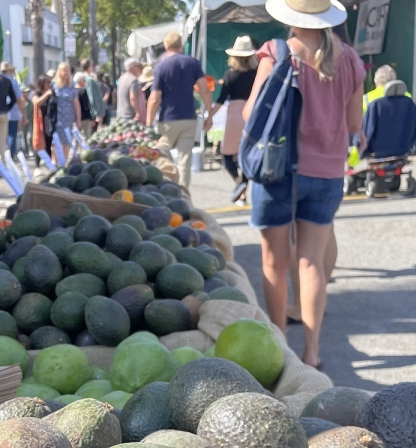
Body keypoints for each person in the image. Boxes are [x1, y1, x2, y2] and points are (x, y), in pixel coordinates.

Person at [243, 0, 364, 368]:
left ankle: (280, 350)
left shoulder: (276, 54)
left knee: (274, 263)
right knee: (312, 264)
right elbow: (355, 123)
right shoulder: (351, 61)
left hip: (278, 171)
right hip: (327, 174)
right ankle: (312, 353)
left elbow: (251, 113)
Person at [147, 32, 213, 187]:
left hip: (168, 119)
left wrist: (149, 122)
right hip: (189, 117)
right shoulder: (193, 63)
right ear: (180, 45)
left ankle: (168, 188)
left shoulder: (161, 67)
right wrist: (209, 113)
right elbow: (204, 89)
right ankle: (183, 195)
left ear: (165, 46)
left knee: (163, 155)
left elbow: (155, 98)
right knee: (185, 160)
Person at [208, 35, 257, 198]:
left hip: (235, 114)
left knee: (227, 154)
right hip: (252, 113)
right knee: (247, 153)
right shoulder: (256, 74)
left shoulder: (230, 75)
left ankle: (238, 182)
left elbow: (221, 99)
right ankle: (244, 183)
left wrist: (210, 116)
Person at [52, 63, 82, 160]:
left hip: (68, 117)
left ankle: (64, 163)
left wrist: (78, 119)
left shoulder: (72, 85)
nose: (66, 72)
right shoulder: (54, 85)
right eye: (64, 70)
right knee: (55, 141)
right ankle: (54, 163)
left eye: (68, 70)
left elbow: (76, 104)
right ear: (59, 72)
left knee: (66, 141)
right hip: (56, 117)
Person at [32, 74, 56, 162]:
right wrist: (46, 94)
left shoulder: (53, 92)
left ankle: (49, 162)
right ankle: (37, 164)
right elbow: (36, 102)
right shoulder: (37, 93)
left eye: (50, 82)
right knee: (39, 142)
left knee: (49, 142)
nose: (49, 84)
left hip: (50, 121)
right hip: (40, 121)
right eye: (47, 82)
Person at [2, 62, 25, 154]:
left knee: (2, 138)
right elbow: (19, 98)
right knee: (11, 137)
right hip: (12, 112)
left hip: (0, 112)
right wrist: (23, 114)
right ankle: (10, 157)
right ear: (10, 71)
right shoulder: (13, 81)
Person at [80, 58, 105, 129]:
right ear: (89, 66)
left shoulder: (83, 78)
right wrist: (97, 113)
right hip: (92, 112)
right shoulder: (89, 80)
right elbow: (92, 96)